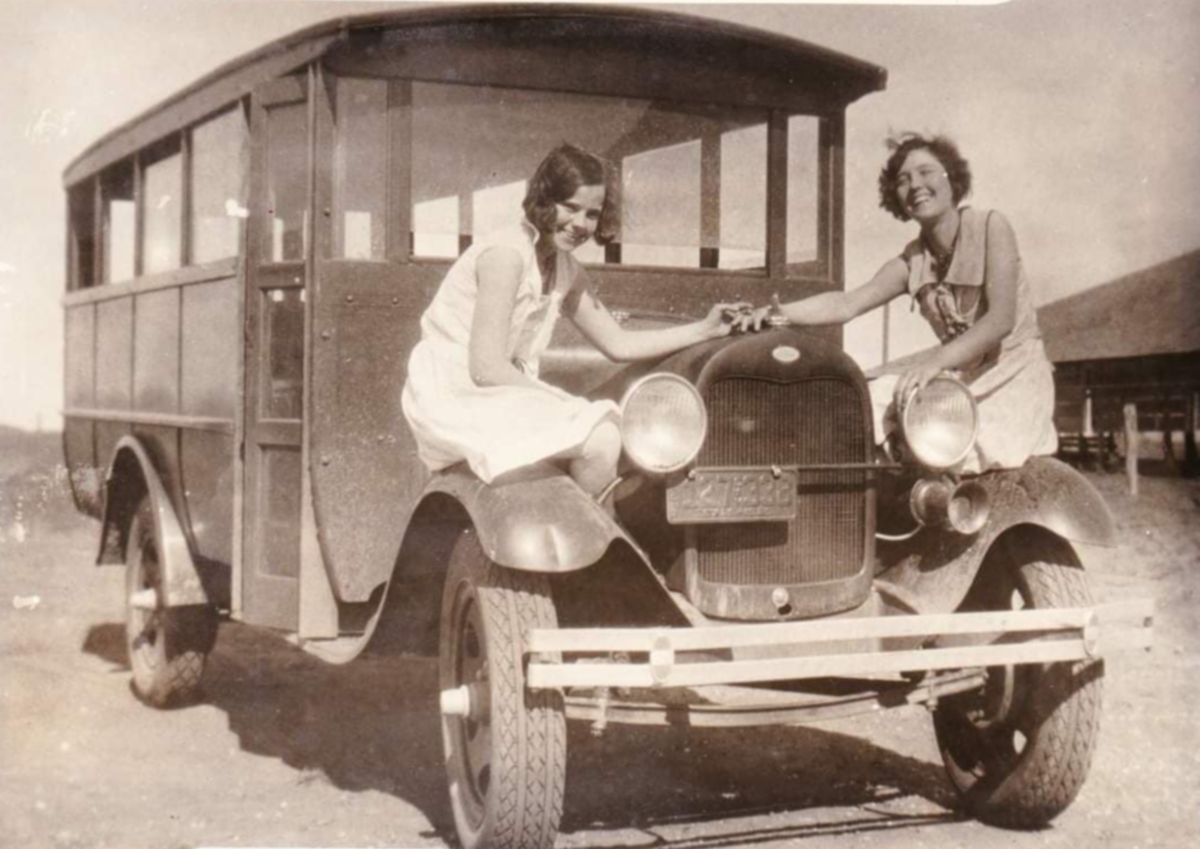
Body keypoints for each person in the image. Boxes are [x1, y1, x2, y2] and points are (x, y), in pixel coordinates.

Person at [402, 143, 745, 496]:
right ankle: (603, 544)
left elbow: (619, 343)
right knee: (601, 436)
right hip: (455, 394)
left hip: (494, 393)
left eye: (592, 214)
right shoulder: (506, 255)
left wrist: (706, 328)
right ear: (545, 201)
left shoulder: (566, 268)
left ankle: (600, 534)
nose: (581, 224)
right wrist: (562, 401)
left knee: (611, 432)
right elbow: (485, 368)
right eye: (571, 207)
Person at [741, 133, 1057, 473]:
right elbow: (848, 304)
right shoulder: (912, 261)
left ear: (952, 177)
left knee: (940, 446)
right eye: (903, 180)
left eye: (926, 172)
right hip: (958, 379)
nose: (915, 185)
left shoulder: (991, 226)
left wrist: (934, 363)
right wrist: (780, 313)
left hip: (1013, 378)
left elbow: (1000, 320)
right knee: (862, 399)